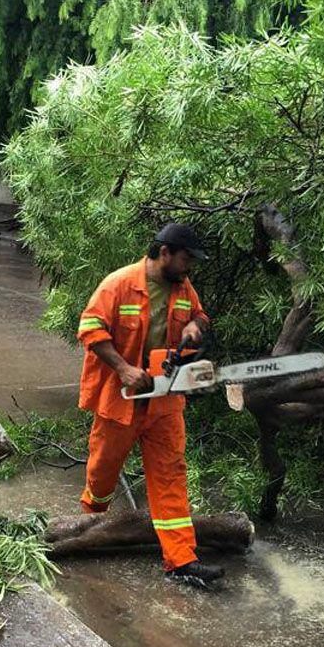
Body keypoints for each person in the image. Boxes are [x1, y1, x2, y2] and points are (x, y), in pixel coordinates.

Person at [75, 222, 225, 587]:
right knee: (102, 472)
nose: (190, 267)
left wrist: (195, 327)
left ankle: (181, 559)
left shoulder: (183, 287)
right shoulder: (119, 284)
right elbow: (90, 329)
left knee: (171, 475)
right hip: (122, 399)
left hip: (165, 399)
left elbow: (200, 315)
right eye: (186, 259)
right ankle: (86, 527)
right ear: (165, 253)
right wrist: (124, 369)